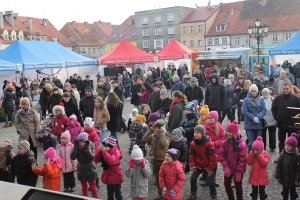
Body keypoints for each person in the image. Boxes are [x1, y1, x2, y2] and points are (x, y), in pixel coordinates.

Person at [142, 119, 171, 200]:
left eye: (159, 127)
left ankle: (167, 195)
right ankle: (160, 194)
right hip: (154, 160)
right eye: (156, 127)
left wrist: (162, 132)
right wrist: (151, 129)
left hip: (163, 161)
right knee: (158, 178)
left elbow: (164, 143)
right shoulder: (153, 135)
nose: (157, 129)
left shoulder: (167, 135)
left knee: (165, 178)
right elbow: (145, 138)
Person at [187, 125, 218, 200]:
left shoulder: (209, 144)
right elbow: (192, 156)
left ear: (202, 134)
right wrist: (192, 165)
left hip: (208, 166)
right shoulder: (193, 143)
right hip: (198, 165)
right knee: (193, 178)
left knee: (210, 181)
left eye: (198, 133)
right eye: (195, 132)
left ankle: (213, 196)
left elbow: (213, 158)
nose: (195, 134)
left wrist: (211, 169)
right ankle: (193, 194)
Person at [219, 121, 247, 200]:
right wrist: (226, 167)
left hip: (238, 169)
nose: (227, 133)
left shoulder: (241, 145)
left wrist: (239, 171)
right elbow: (221, 155)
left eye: (230, 132)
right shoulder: (225, 142)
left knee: (238, 185)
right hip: (229, 167)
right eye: (227, 131)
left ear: (234, 133)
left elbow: (242, 159)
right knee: (227, 184)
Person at [272, 82, 300, 153]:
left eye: (287, 89)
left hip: (292, 124)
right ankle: (281, 157)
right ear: (282, 89)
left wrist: (295, 119)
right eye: (284, 89)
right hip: (281, 124)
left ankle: (292, 157)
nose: (285, 90)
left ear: (290, 88)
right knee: (281, 142)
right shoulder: (277, 98)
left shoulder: (295, 99)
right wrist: (277, 118)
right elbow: (273, 109)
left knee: (292, 142)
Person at [94, 136, 124, 200]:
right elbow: (96, 159)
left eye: (105, 146)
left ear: (110, 146)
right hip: (108, 176)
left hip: (116, 176)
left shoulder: (116, 152)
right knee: (109, 194)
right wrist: (100, 151)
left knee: (118, 194)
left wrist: (104, 152)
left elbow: (111, 161)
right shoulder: (106, 151)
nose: (104, 147)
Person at [71, 132, 98, 198]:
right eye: (79, 142)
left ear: (86, 141)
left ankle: (95, 198)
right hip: (81, 169)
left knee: (93, 187)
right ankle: (85, 198)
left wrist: (86, 149)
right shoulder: (77, 148)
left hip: (90, 169)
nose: (81, 144)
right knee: (83, 188)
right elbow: (73, 157)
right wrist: (75, 149)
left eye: (83, 142)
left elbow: (92, 157)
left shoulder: (90, 145)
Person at [242, 84, 267, 152]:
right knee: (251, 142)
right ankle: (251, 156)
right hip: (249, 124)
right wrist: (253, 117)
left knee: (258, 142)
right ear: (249, 91)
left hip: (259, 124)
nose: (253, 92)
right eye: (252, 91)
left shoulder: (261, 99)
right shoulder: (246, 100)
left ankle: (258, 157)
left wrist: (258, 117)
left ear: (257, 91)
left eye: (254, 91)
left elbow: (264, 110)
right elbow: (244, 111)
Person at [275, 133, 300, 200]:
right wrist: (278, 176)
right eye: (286, 145)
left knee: (293, 193)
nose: (286, 147)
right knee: (285, 192)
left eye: (289, 146)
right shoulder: (283, 154)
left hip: (292, 179)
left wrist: (297, 179)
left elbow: (298, 169)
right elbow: (279, 165)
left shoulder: (297, 156)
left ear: (293, 147)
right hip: (284, 177)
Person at [204, 111, 225, 186]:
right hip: (206, 149)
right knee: (207, 164)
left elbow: (223, 139)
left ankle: (213, 180)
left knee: (214, 166)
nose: (210, 119)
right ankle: (207, 179)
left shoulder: (219, 127)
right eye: (209, 118)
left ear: (215, 119)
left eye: (212, 118)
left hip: (215, 150)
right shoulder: (205, 126)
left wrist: (214, 143)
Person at [181, 102, 199, 173]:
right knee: (185, 151)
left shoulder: (196, 118)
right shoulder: (185, 118)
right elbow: (181, 125)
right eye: (187, 110)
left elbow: (196, 127)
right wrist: (181, 129)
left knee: (191, 152)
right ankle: (186, 165)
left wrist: (187, 130)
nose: (187, 111)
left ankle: (191, 165)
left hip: (192, 137)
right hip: (185, 137)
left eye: (189, 110)